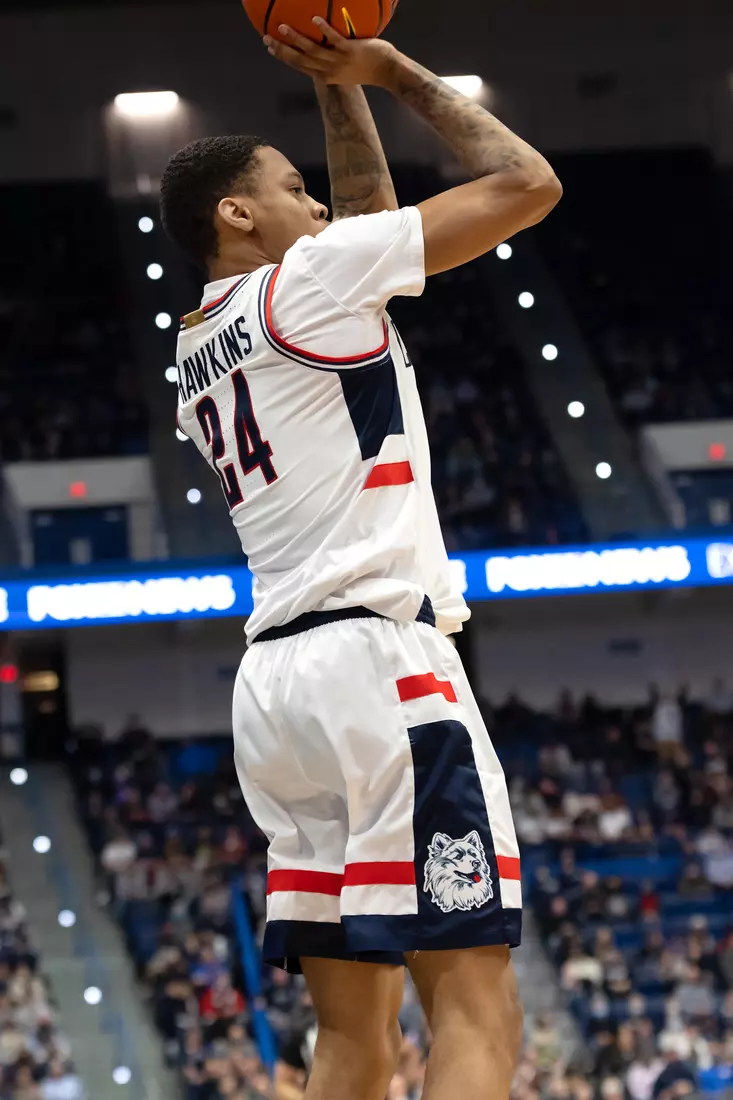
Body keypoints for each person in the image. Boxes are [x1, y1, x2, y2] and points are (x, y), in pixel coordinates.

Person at [160, 21, 561, 1100]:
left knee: (352, 1036)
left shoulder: (196, 344)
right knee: (476, 1010)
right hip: (378, 667)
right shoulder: (310, 284)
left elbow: (365, 223)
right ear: (235, 213)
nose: (320, 210)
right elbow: (527, 185)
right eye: (294, 190)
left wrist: (335, 91)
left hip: (277, 693)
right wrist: (388, 72)